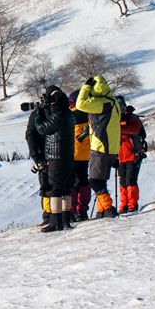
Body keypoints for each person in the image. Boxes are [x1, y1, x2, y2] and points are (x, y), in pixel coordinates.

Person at [75, 75, 122, 218]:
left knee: (94, 181)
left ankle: (108, 208)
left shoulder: (103, 103)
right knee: (101, 180)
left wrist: (85, 87)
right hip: (111, 147)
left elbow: (80, 104)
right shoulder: (114, 102)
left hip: (101, 147)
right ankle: (101, 211)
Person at [32, 85, 75, 232]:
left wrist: (38, 116)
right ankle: (66, 219)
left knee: (55, 188)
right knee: (66, 188)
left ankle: (55, 221)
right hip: (69, 155)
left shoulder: (58, 115)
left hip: (57, 155)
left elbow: (42, 128)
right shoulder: (69, 114)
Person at [25, 101, 51, 227]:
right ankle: (63, 212)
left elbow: (30, 135)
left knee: (46, 186)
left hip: (43, 155)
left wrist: (36, 156)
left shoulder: (36, 115)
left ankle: (48, 214)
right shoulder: (60, 111)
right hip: (60, 155)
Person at [118, 104, 147, 213]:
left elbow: (135, 130)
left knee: (131, 180)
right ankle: (124, 204)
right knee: (123, 181)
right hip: (120, 155)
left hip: (133, 154)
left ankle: (132, 204)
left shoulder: (132, 117)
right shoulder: (115, 118)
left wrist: (118, 129)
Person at [68, 89, 92, 221]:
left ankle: (73, 210)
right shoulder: (89, 113)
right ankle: (83, 210)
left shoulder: (72, 115)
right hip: (86, 154)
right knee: (84, 181)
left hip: (73, 153)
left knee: (72, 184)